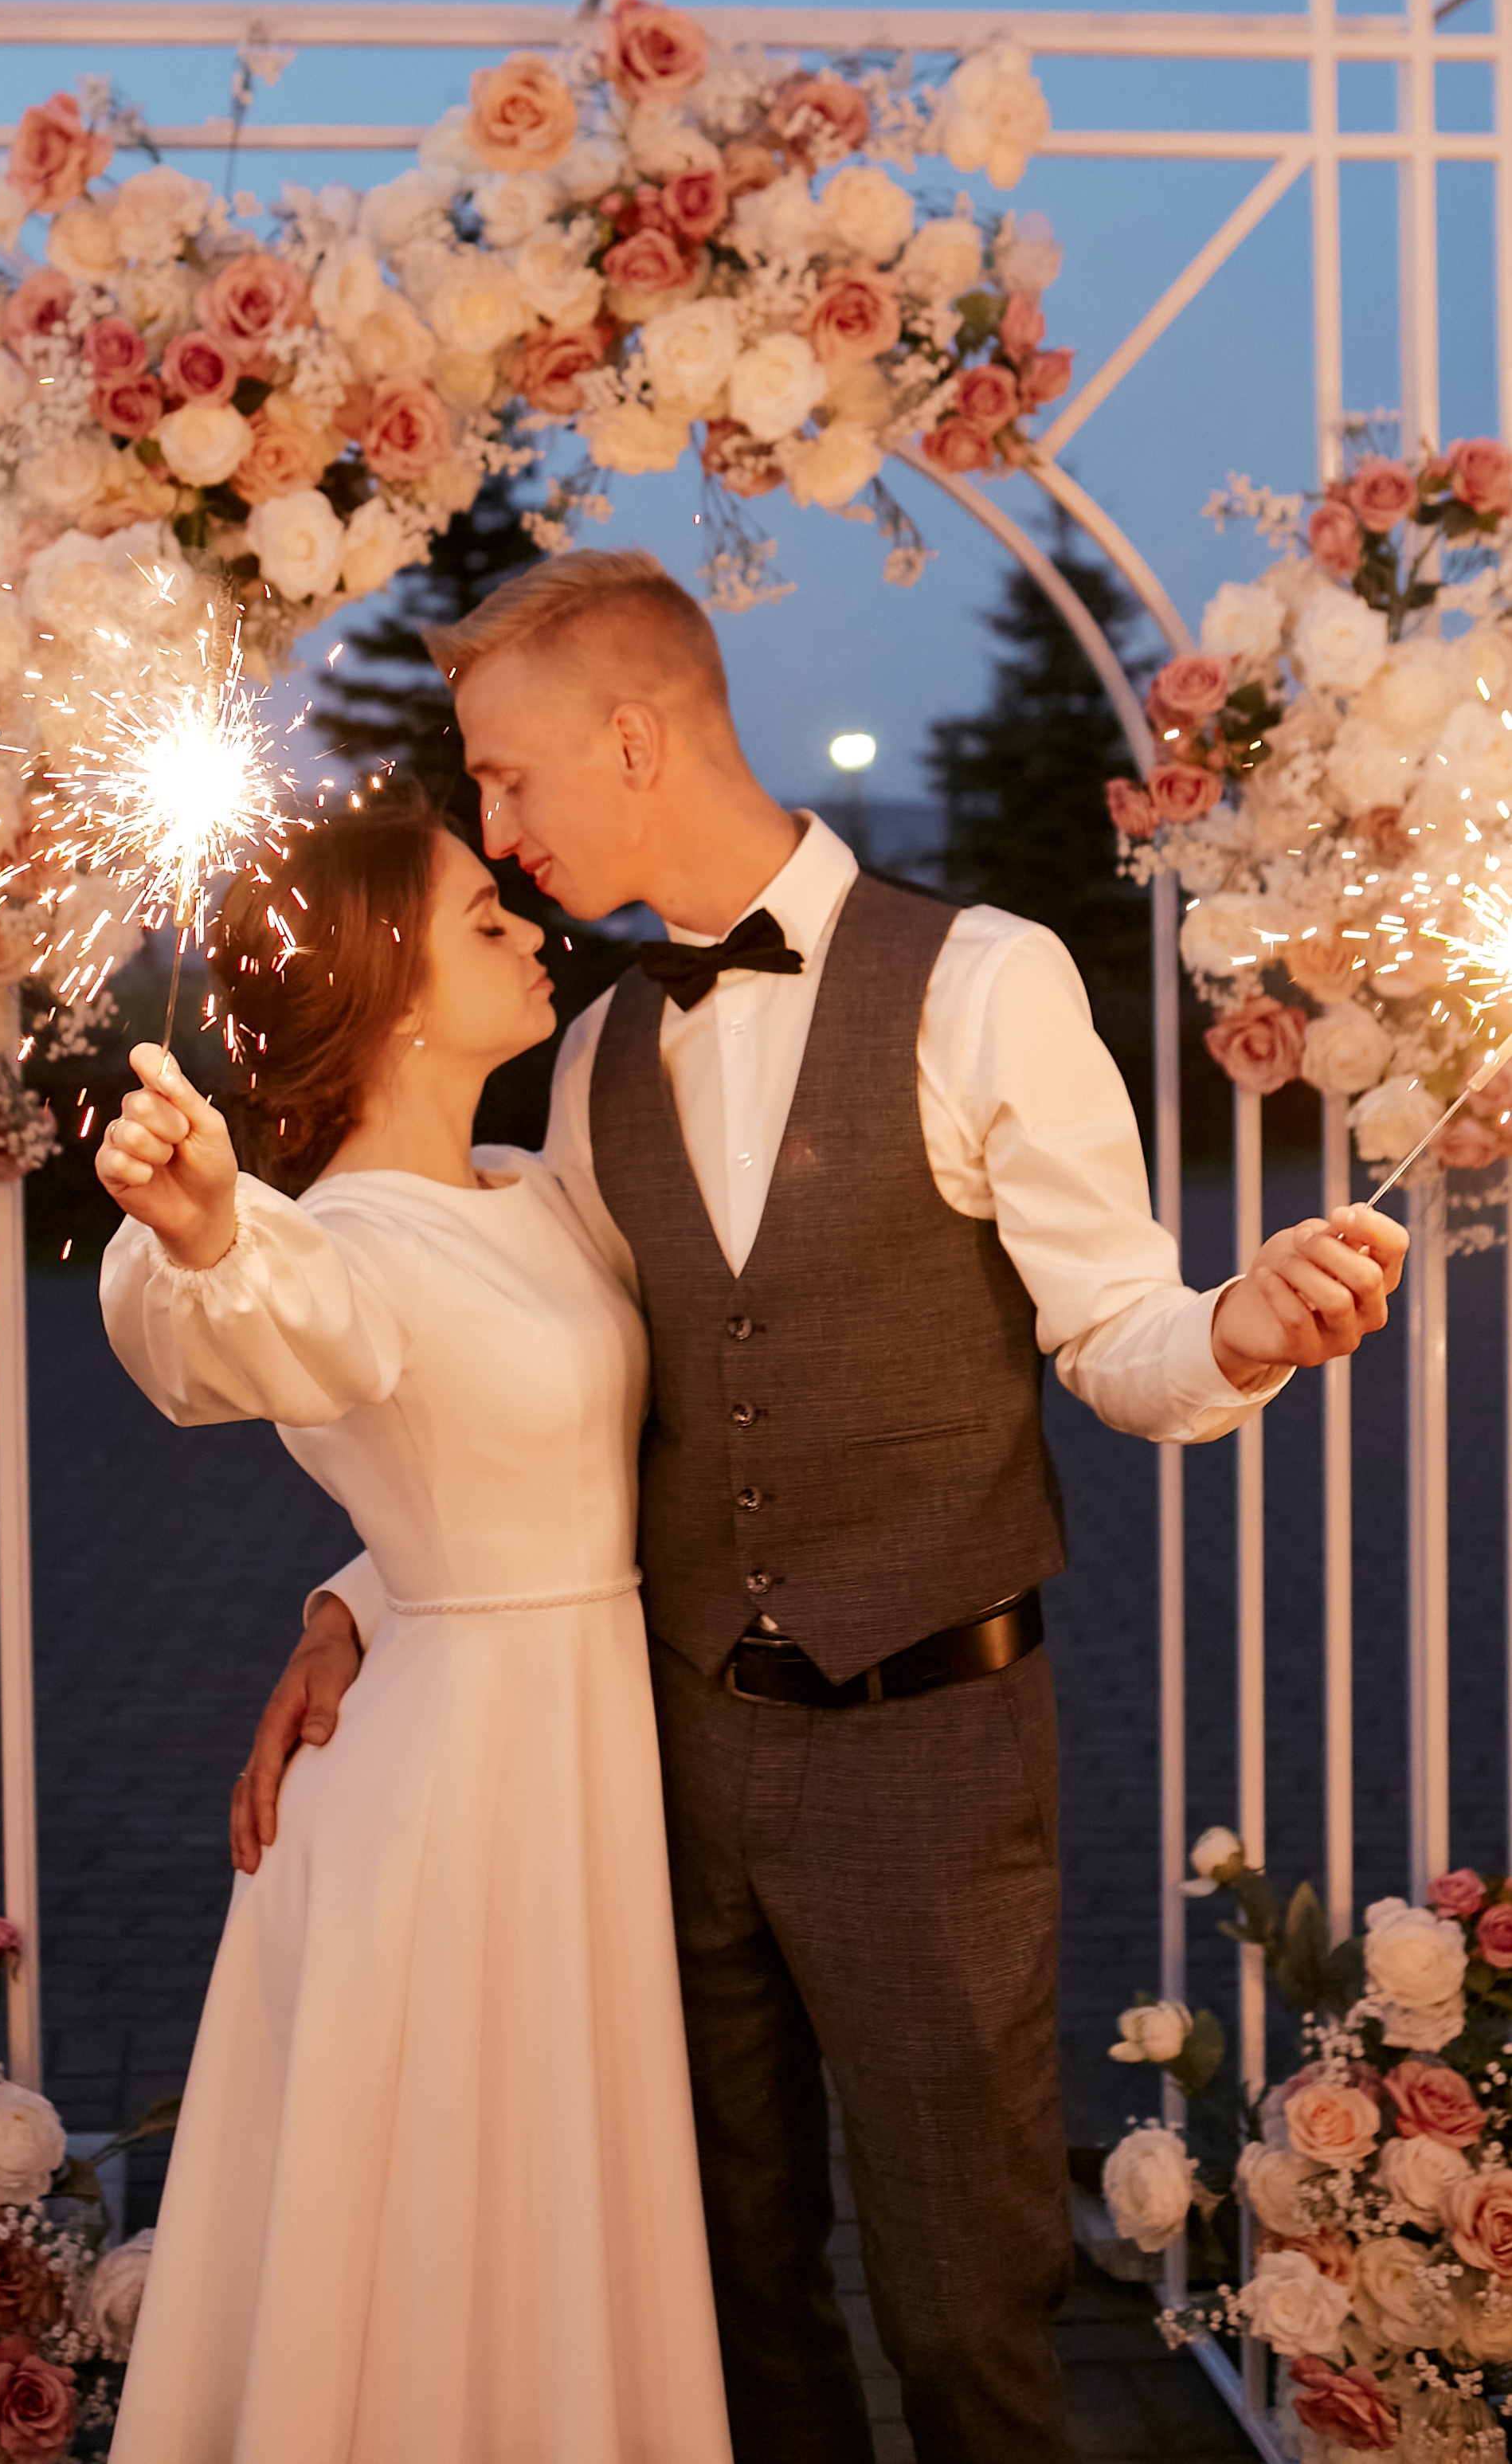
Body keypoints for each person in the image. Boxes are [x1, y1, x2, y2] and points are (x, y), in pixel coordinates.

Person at [232, 548, 1408, 2464]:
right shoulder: (597, 1052)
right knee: (729, 2293)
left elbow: (1117, 1332)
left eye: (508, 776)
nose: (493, 822)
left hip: (929, 1753)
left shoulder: (984, 982)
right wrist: (352, 1600)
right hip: (662, 1764)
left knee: (965, 2306)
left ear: (631, 737)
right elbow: (554, 1417)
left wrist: (1239, 1324)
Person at [94, 786, 734, 2464]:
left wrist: (348, 1598)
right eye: (479, 920)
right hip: (461, 1809)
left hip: (567, 1754)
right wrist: (201, 1232)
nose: (530, 928)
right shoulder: (330, 1237)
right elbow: (241, 1326)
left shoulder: (536, 1187)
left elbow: (540, 1478)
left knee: (552, 2215)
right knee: (450, 2214)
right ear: (382, 984)